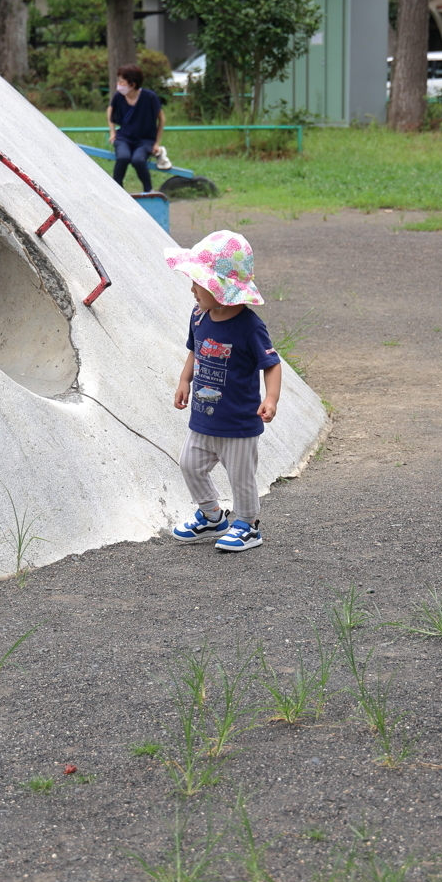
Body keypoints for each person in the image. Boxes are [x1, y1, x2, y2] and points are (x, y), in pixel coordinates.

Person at [164, 230, 282, 552]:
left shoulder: (250, 327)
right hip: (203, 417)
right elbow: (195, 350)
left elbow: (271, 364)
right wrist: (184, 380)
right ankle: (212, 515)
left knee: (241, 477)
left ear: (222, 288)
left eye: (198, 282)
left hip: (239, 424)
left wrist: (270, 399)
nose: (192, 289)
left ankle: (247, 525)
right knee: (189, 464)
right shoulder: (199, 315)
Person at [107, 64, 165, 193]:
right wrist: (112, 132)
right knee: (123, 157)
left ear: (132, 85)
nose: (119, 84)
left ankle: (148, 190)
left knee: (138, 160)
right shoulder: (119, 97)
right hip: (124, 137)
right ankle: (117, 190)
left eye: (122, 82)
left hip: (145, 139)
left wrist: (156, 143)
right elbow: (110, 110)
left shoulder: (149, 97)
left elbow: (161, 118)